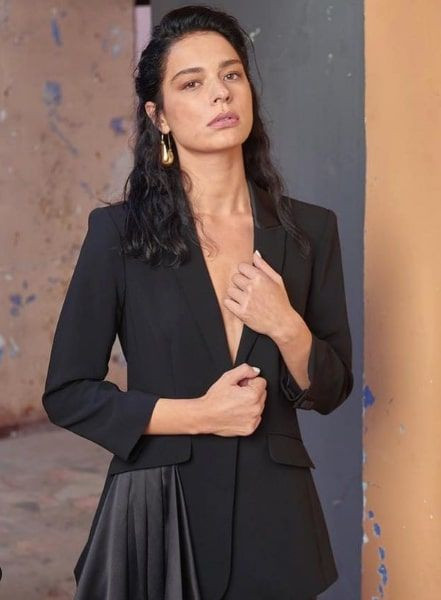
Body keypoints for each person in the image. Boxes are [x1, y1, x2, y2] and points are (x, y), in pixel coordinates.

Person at [42, 5, 353, 599]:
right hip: (161, 517)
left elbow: (333, 389)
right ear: (158, 115)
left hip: (277, 526)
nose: (219, 93)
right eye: (192, 83)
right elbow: (68, 393)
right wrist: (200, 415)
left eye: (231, 74)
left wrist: (286, 325)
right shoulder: (118, 235)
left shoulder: (310, 232)